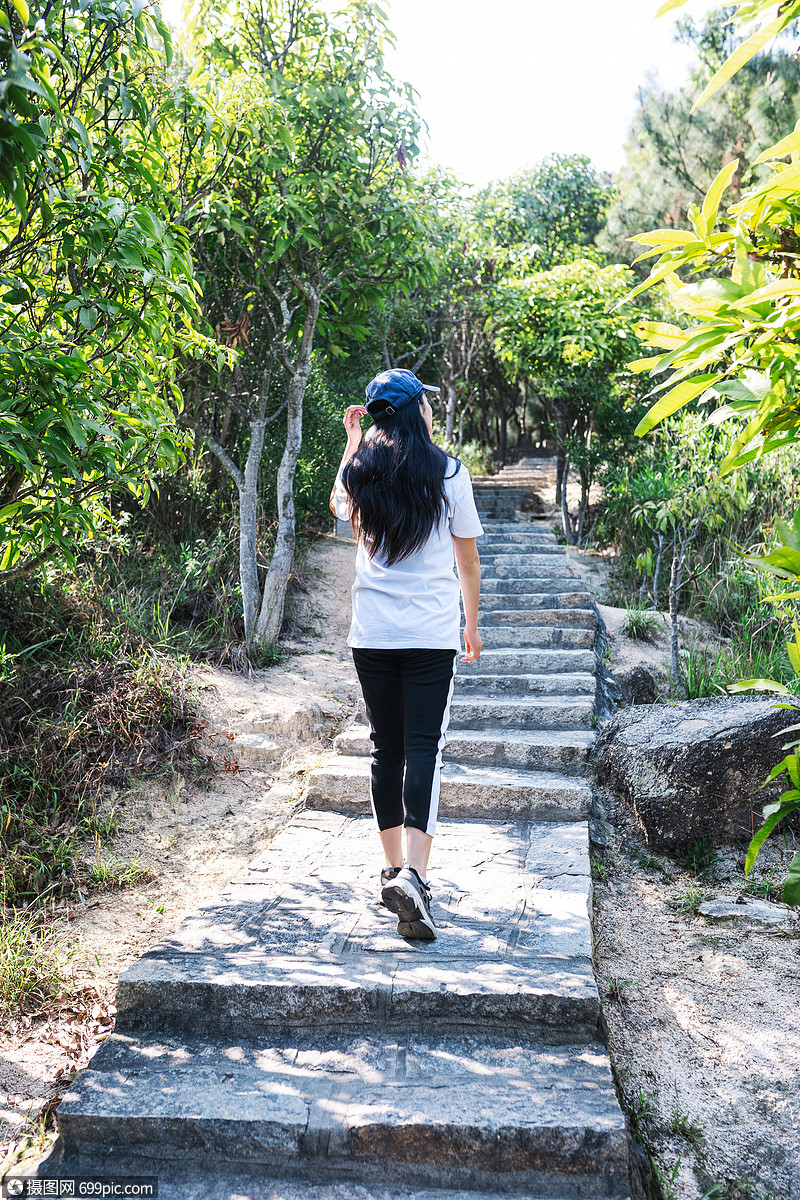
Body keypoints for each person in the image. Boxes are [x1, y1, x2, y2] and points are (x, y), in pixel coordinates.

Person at [329, 367, 483, 941]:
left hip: (372, 633)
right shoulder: (448, 472)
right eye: (425, 403)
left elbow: (340, 506)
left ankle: (394, 868)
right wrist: (473, 624)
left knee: (384, 748)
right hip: (429, 632)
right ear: (418, 410)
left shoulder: (360, 471)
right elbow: (466, 561)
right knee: (424, 749)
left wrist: (351, 445)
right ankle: (414, 876)